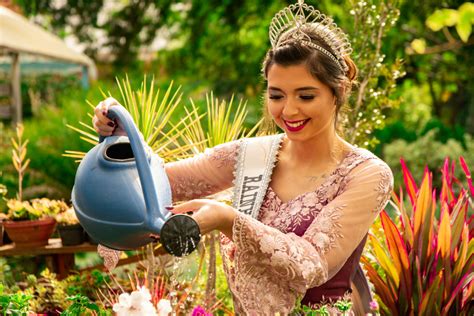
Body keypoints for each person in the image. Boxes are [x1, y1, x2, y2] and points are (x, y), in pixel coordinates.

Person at [92, 1, 393, 314]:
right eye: (277, 95)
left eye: (306, 96)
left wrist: (227, 219)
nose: (289, 110)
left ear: (339, 90)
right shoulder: (252, 155)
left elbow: (312, 263)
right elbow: (153, 182)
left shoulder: (366, 174)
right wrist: (119, 134)